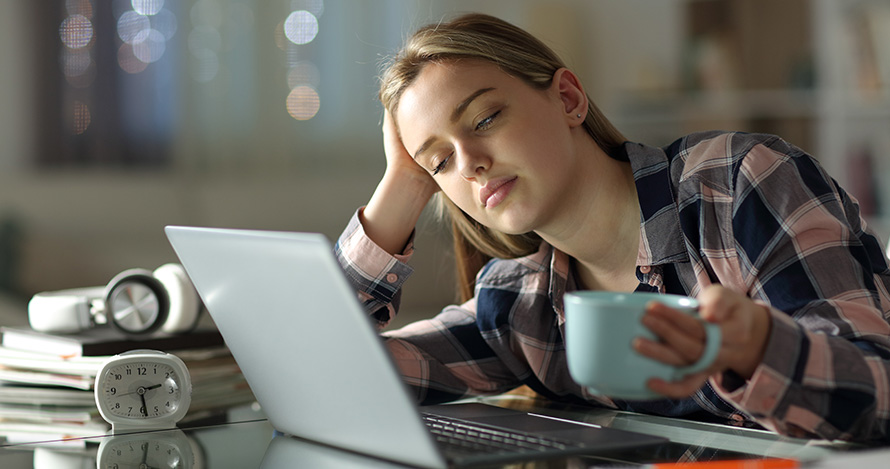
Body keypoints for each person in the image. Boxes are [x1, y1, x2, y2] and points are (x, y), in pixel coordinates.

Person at [334, 12, 890, 442]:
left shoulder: (737, 186)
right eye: (439, 163)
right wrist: (400, 188)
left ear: (568, 99)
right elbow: (334, 372)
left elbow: (879, 388)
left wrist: (760, 349)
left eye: (485, 118)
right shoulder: (521, 307)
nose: (470, 162)